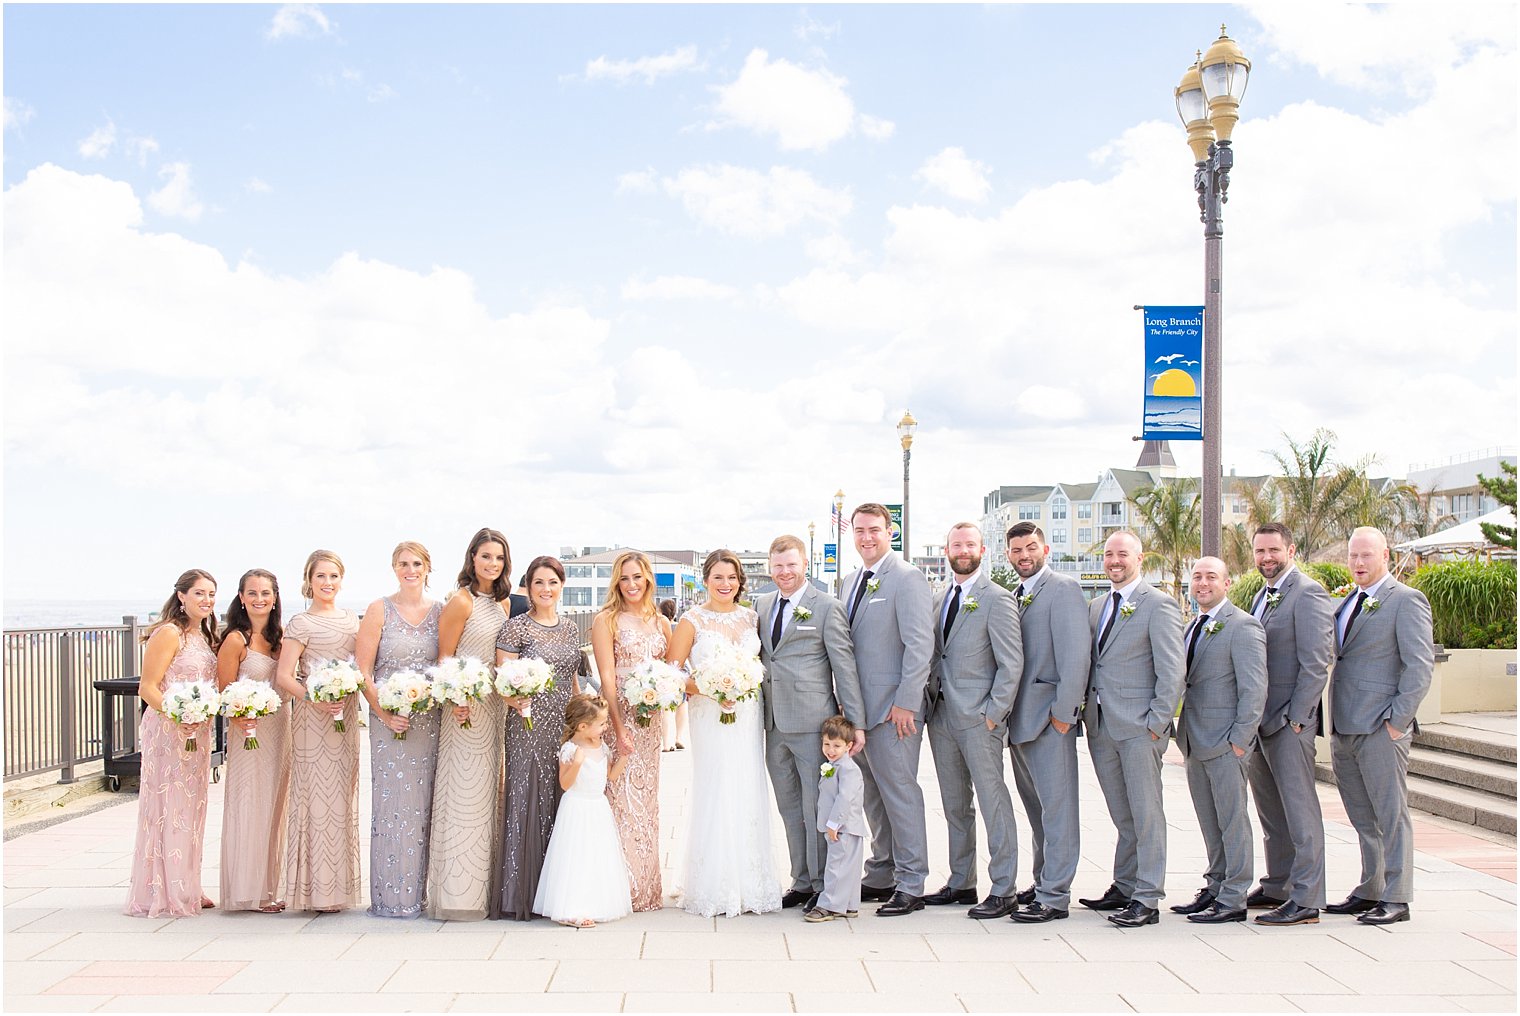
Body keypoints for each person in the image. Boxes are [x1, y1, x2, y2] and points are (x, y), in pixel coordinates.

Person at [1325, 527, 1434, 926]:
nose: (1357, 563)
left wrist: (1396, 722)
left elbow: (1419, 667)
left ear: (1385, 555)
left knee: (1391, 814)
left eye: (1366, 556)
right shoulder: (1347, 602)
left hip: (1379, 727)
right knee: (1361, 815)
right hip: (1345, 725)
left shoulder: (1406, 601)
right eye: (1353, 556)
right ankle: (1372, 887)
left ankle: (1398, 896)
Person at [668, 549, 782, 917]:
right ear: (705, 580)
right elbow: (672, 674)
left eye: (731, 577)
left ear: (740, 582)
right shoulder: (691, 620)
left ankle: (752, 884)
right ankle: (714, 886)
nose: (725, 584)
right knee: (716, 787)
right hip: (709, 715)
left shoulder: (752, 618)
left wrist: (739, 687)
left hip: (747, 716)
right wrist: (711, 689)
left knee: (747, 787)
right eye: (718, 577)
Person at [1078, 530, 1184, 928]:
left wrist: (1157, 723)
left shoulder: (1158, 605)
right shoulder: (1097, 606)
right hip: (1102, 725)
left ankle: (1148, 896)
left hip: (1140, 727)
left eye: (1122, 554)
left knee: (1146, 812)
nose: (1114, 561)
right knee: (1122, 813)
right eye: (1108, 554)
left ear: (1140, 558)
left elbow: (1172, 669)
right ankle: (1124, 885)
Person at [756, 534, 864, 911]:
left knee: (817, 808)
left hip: (814, 725)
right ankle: (801, 881)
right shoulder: (763, 604)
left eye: (791, 565)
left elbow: (844, 667)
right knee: (788, 809)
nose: (784, 573)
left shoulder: (826, 607)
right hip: (772, 724)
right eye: (778, 566)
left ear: (805, 565)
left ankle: (823, 884)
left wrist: (855, 724)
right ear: (770, 567)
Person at [838, 502, 935, 916]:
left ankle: (911, 882)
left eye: (874, 530)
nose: (866, 537)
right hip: (859, 711)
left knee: (900, 794)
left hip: (894, 712)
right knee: (873, 798)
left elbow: (920, 645)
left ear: (890, 532)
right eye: (859, 530)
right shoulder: (849, 580)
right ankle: (882, 871)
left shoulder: (908, 578)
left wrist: (906, 702)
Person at [925, 523, 1023, 919]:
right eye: (956, 544)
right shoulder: (939, 598)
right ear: (947, 549)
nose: (962, 550)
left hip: (979, 718)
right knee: (954, 804)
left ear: (983, 549)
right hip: (942, 715)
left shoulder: (997, 599)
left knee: (992, 801)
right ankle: (962, 880)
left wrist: (993, 714)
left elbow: (1011, 663)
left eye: (970, 544)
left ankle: (1004, 888)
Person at [1245, 522, 1334, 927]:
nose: (1266, 558)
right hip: (1260, 722)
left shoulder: (1308, 593)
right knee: (1270, 811)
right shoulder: (1262, 596)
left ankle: (1307, 897)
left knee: (1300, 811)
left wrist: (1299, 718)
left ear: (1291, 550)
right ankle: (1278, 882)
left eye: (1273, 551)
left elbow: (1317, 661)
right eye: (1260, 551)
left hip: (1288, 722)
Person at [1171, 557, 1267, 924]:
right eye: (1197, 577)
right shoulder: (1191, 625)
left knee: (1232, 820)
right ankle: (1215, 884)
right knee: (1209, 820)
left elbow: (1254, 688)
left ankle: (1234, 895)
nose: (1203, 583)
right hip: (1194, 740)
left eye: (1211, 577)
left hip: (1227, 741)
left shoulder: (1243, 627)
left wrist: (1240, 740)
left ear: (1227, 583)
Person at [1003, 523, 1089, 924]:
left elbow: (1075, 657)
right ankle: (1041, 882)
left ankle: (1055, 896)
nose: (1024, 555)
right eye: (1017, 549)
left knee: (1058, 811)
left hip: (1050, 720)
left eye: (1031, 547)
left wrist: (1063, 715)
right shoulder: (1016, 595)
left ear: (1045, 549)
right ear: (1007, 554)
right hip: (1020, 720)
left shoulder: (1063, 589)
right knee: (1037, 811)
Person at [428, 527, 512, 921]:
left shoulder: (503, 604)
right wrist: (457, 698)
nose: (492, 564)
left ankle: (483, 889)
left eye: (498, 557)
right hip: (463, 709)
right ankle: (457, 896)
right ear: (472, 559)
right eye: (485, 557)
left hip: (494, 708)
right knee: (463, 795)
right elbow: (445, 658)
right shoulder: (460, 602)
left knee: (487, 796)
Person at [124, 569, 219, 917]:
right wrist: (180, 714)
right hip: (168, 731)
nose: (206, 600)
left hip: (198, 733)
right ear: (181, 596)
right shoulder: (169, 633)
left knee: (191, 808)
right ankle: (162, 888)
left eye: (211, 594)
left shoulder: (204, 636)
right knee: (168, 807)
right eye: (199, 593)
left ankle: (187, 884)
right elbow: (148, 688)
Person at [355, 541, 442, 918]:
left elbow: (444, 665)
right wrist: (384, 712)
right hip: (388, 722)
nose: (410, 570)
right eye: (403, 564)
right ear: (394, 568)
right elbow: (362, 671)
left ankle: (420, 894)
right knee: (392, 805)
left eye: (417, 563)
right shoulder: (378, 610)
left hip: (427, 720)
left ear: (427, 568)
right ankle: (390, 897)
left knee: (424, 805)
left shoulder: (440, 611)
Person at [495, 555, 582, 920]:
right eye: (539, 583)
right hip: (527, 723)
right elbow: (502, 680)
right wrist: (517, 700)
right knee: (528, 795)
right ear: (527, 587)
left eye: (552, 582)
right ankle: (523, 894)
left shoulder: (572, 628)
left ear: (562, 586)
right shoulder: (515, 628)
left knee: (561, 796)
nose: (546, 590)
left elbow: (573, 677)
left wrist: (582, 717)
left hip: (563, 721)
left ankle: (558, 892)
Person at [276, 550, 362, 913]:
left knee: (342, 798)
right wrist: (315, 696)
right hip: (313, 721)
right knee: (314, 799)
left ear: (342, 580)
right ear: (309, 580)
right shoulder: (300, 623)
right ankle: (312, 891)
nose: (328, 583)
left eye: (334, 576)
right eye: (321, 576)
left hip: (345, 719)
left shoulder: (353, 622)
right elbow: (284, 676)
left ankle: (338, 891)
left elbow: (362, 666)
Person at [591, 550, 671, 912]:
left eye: (638, 577)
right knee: (619, 800)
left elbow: (670, 674)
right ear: (616, 582)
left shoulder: (661, 622)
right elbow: (607, 676)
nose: (632, 584)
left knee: (646, 802)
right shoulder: (605, 620)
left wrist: (661, 700)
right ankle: (618, 886)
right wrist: (618, 726)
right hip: (618, 717)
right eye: (625, 578)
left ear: (649, 579)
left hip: (650, 720)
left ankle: (646, 887)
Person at [216, 568, 291, 913]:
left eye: (266, 593)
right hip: (249, 734)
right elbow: (223, 693)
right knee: (250, 805)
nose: (260, 599)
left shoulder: (282, 638)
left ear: (275, 598)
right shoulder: (236, 640)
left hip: (281, 729)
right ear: (241, 598)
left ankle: (268, 887)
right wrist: (239, 715)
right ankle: (248, 891)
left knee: (275, 806)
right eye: (253, 593)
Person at [532, 695, 632, 928]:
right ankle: (571, 909)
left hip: (598, 807)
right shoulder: (570, 749)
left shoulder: (601, 746)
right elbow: (565, 784)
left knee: (595, 855)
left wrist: (624, 756)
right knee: (575, 856)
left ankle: (594, 903)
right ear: (582, 726)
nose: (605, 728)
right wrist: (576, 763)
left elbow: (611, 776)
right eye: (602, 724)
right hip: (576, 808)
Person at [806, 715, 866, 923]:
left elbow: (845, 798)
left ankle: (829, 905)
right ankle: (849, 905)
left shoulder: (848, 769)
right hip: (843, 827)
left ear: (849, 746)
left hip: (843, 827)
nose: (831, 750)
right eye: (827, 744)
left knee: (836, 866)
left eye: (837, 746)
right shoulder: (835, 765)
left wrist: (834, 824)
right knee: (846, 866)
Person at [658, 598, 690, 752]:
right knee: (682, 704)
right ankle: (679, 737)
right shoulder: (680, 626)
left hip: (664, 667)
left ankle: (666, 743)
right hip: (680, 667)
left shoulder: (658, 625)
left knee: (666, 707)